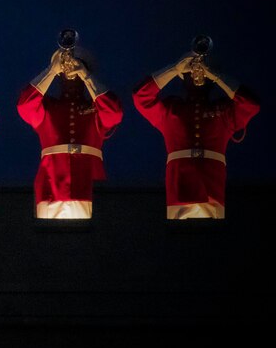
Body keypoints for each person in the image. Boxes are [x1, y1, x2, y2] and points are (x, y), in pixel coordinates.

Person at [133, 37, 259, 219]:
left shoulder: (223, 110)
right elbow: (140, 96)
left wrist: (216, 75)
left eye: (203, 73)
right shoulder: (171, 109)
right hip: (180, 185)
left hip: (212, 186)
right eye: (189, 73)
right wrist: (175, 68)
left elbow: (251, 105)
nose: (197, 75)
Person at [17, 31, 123, 219]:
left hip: (89, 183)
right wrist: (51, 71)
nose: (70, 71)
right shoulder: (48, 106)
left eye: (77, 67)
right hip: (52, 185)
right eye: (64, 69)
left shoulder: (96, 107)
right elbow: (24, 105)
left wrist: (86, 76)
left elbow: (114, 114)